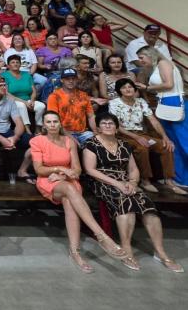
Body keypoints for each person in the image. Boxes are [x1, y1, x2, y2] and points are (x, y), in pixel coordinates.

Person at [84, 112, 183, 272]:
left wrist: (132, 182)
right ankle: (127, 249)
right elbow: (90, 170)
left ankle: (161, 252)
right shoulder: (91, 143)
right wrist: (117, 183)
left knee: (148, 207)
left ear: (117, 127)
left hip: (125, 182)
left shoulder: (124, 144)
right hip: (102, 182)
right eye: (104, 123)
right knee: (126, 205)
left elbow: (133, 169)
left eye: (111, 123)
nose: (108, 126)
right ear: (99, 127)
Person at [30, 111, 127, 273]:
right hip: (48, 181)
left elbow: (77, 169)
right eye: (49, 122)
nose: (52, 125)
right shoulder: (37, 141)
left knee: (69, 200)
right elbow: (39, 169)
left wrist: (64, 174)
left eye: (55, 121)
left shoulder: (69, 141)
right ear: (44, 125)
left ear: (60, 123)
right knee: (69, 189)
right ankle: (102, 236)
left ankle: (75, 252)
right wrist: (60, 169)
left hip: (69, 179)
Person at [109, 78, 184, 194]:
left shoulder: (141, 102)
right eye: (124, 88)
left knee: (165, 146)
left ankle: (169, 181)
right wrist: (136, 137)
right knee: (142, 148)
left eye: (130, 87)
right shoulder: (114, 103)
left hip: (141, 134)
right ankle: (145, 180)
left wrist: (165, 137)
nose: (128, 89)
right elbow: (117, 126)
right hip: (123, 135)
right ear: (119, 91)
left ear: (135, 89)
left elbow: (153, 121)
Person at [135, 46, 188, 187]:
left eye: (141, 57)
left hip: (173, 101)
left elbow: (169, 84)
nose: (140, 61)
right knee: (173, 143)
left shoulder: (163, 63)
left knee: (184, 141)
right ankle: (181, 178)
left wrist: (147, 88)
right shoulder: (156, 66)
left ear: (150, 54)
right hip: (165, 102)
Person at [46, 67, 98, 145]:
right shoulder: (54, 96)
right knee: (71, 144)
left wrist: (96, 132)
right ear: (62, 80)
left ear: (77, 80)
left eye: (73, 78)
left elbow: (91, 116)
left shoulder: (84, 95)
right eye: (67, 79)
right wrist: (70, 137)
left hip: (83, 133)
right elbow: (53, 119)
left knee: (97, 141)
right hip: (62, 133)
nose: (71, 81)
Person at [2, 55, 45, 138]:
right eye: (13, 62)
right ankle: (27, 129)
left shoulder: (27, 75)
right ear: (8, 65)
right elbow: (6, 93)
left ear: (20, 64)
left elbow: (34, 91)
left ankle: (38, 128)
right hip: (12, 100)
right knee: (21, 106)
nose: (15, 64)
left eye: (17, 62)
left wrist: (32, 100)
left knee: (41, 106)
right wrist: (24, 102)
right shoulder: (4, 75)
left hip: (28, 99)